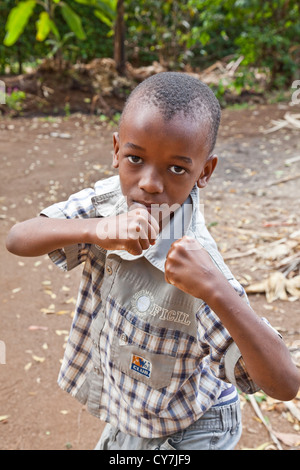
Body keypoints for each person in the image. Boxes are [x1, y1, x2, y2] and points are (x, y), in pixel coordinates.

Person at [6, 72, 299, 451]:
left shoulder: (198, 269)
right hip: (137, 410)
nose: (149, 183)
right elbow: (18, 239)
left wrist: (215, 290)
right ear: (116, 151)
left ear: (204, 172)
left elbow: (283, 383)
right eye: (135, 158)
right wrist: (97, 229)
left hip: (193, 427)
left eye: (176, 168)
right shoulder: (107, 204)